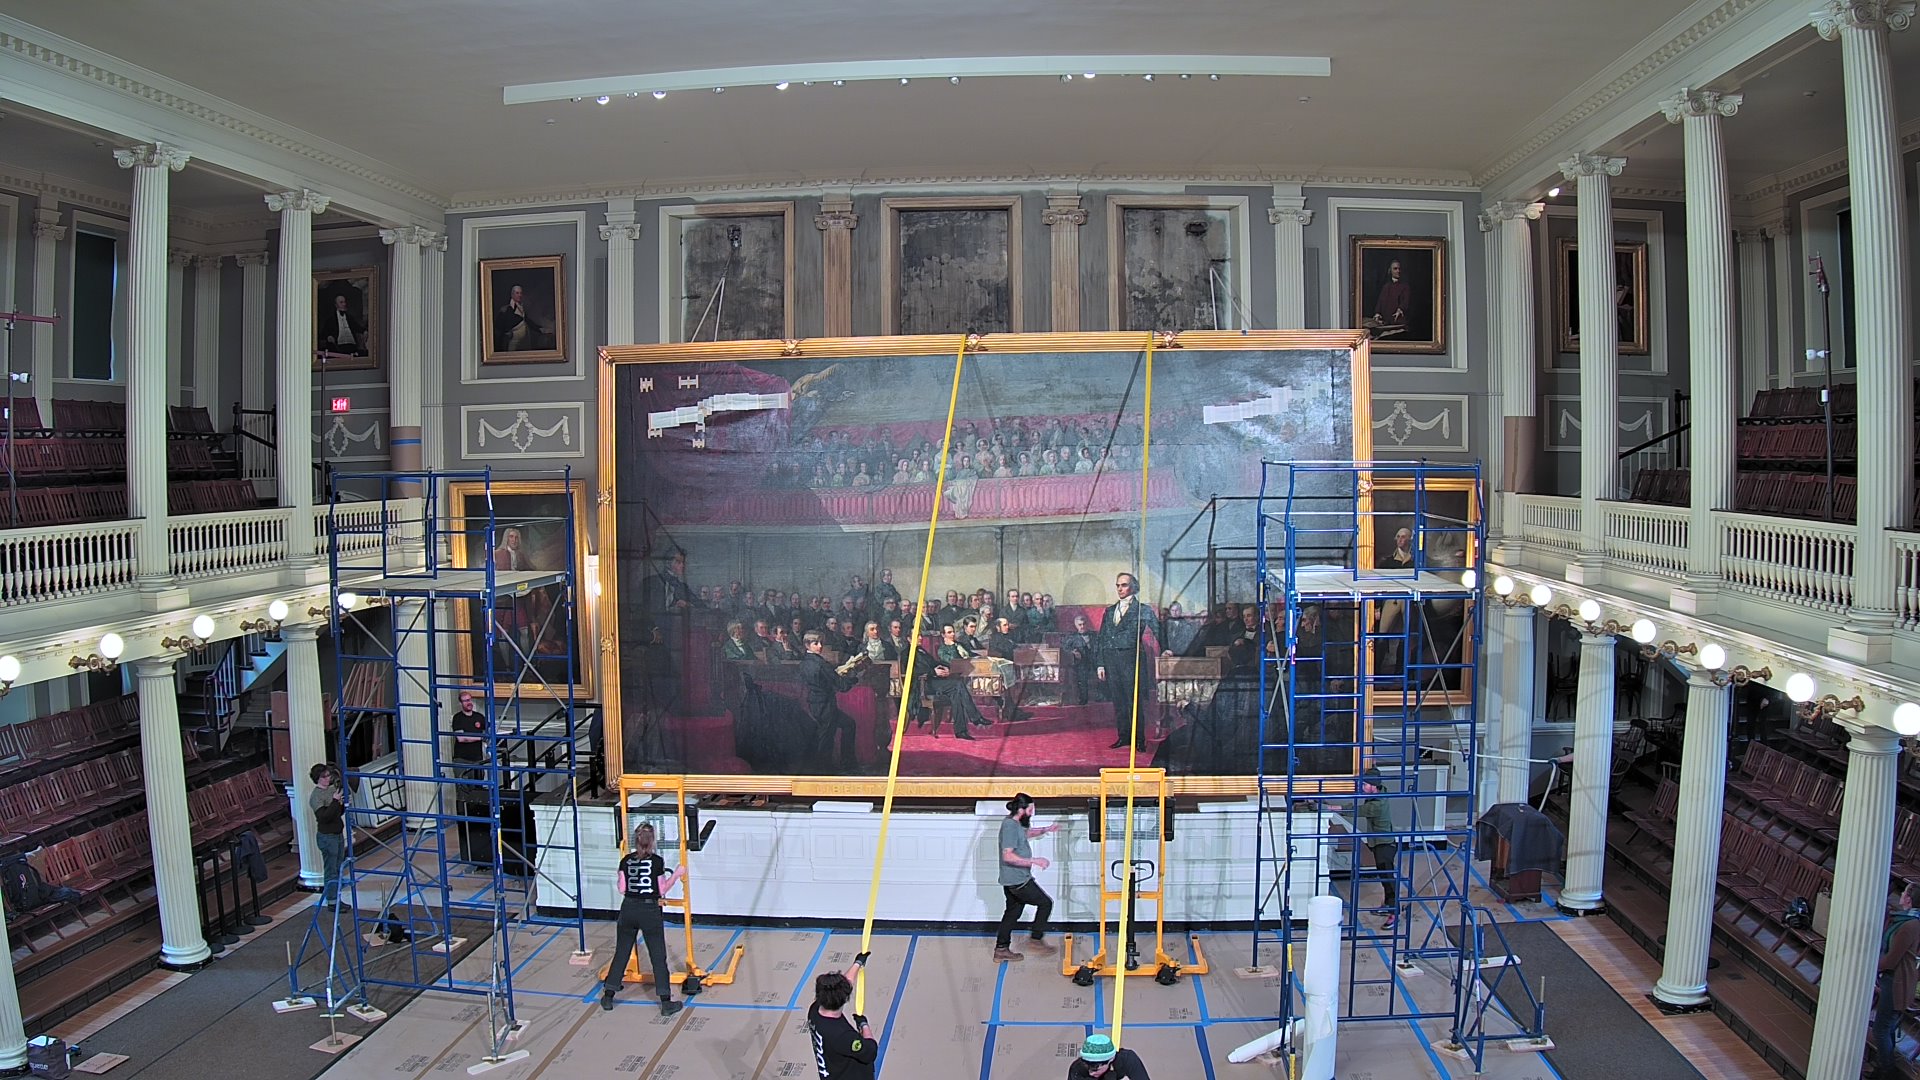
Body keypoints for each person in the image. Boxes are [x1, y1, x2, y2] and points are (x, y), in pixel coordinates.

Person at [600, 823, 686, 1017]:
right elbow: (662, 889)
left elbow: (622, 888)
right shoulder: (656, 861)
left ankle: (608, 995)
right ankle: (666, 1002)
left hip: (628, 909)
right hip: (649, 911)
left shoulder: (625, 860)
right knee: (657, 956)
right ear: (652, 841)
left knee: (621, 952)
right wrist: (677, 874)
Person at [1094, 572, 1162, 750]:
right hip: (1111, 661)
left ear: (1133, 587)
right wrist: (1100, 664)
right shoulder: (1110, 611)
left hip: (1131, 660)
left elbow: (1158, 629)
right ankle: (1124, 737)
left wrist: (1166, 649)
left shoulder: (1142, 610)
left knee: (1134, 701)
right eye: (1117, 585)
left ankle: (1138, 740)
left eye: (1123, 585)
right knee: (1118, 701)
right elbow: (1102, 639)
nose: (1119, 589)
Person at [994, 793, 1060, 962]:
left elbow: (1026, 833)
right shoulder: (1009, 826)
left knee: (1012, 913)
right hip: (1018, 880)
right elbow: (1007, 856)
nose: (1032, 813)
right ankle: (1035, 941)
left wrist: (1046, 829)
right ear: (1021, 810)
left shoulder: (1014, 824)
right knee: (1045, 903)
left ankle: (1001, 949)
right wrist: (1034, 861)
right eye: (1030, 810)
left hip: (1012, 879)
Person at [1872, 884, 1920, 1075]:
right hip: (1893, 980)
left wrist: (1869, 966)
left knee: (1881, 1029)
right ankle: (1885, 1066)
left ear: (1909, 899)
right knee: (1887, 1027)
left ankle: (1885, 1070)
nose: (1901, 894)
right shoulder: (1907, 921)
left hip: (1897, 982)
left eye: (1904, 892)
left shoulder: (1910, 925)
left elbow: (1892, 960)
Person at [807, 951, 877, 1079]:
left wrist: (858, 963)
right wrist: (864, 1025)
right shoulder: (843, 1036)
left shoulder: (814, 1011)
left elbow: (841, 987)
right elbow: (870, 1051)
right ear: (845, 999)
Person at [802, 631, 863, 772]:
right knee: (826, 737)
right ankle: (827, 769)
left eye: (821, 643)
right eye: (816, 643)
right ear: (807, 645)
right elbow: (842, 686)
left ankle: (846, 763)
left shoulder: (805, 662)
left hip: (814, 703)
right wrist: (856, 677)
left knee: (848, 724)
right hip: (826, 706)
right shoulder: (821, 664)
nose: (820, 646)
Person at [1357, 767, 1400, 928]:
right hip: (1379, 844)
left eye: (1365, 784)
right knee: (1385, 878)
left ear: (1373, 786)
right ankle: (1388, 905)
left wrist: (1333, 808)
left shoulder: (1377, 804)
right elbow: (1375, 772)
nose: (1362, 787)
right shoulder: (1379, 792)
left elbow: (1358, 810)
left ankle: (1394, 912)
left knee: (1388, 879)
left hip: (1384, 846)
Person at [309, 763, 346, 907]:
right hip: (327, 837)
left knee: (338, 868)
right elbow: (324, 817)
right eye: (323, 777)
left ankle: (337, 898)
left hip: (337, 834)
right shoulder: (316, 796)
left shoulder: (332, 790)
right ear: (317, 779)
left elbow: (337, 813)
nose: (327, 779)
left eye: (328, 776)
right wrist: (335, 801)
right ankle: (332, 901)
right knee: (331, 871)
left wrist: (340, 803)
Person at [495, 282, 554, 353]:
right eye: (517, 293)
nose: (519, 295)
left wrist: (541, 330)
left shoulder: (521, 308)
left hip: (524, 341)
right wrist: (508, 333)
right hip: (513, 341)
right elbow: (499, 326)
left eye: (521, 293)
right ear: (512, 294)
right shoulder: (505, 309)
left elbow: (527, 321)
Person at [1067, 1034, 1152, 1079]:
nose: (1091, 1073)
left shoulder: (1127, 1059)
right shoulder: (1077, 1070)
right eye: (1087, 1067)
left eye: (1095, 1069)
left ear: (1111, 1059)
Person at [450, 690, 487, 782]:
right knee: (462, 787)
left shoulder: (479, 717)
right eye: (466, 701)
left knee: (478, 787)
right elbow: (461, 738)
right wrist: (480, 737)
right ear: (460, 703)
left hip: (477, 760)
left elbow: (488, 733)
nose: (469, 702)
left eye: (470, 700)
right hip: (461, 760)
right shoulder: (457, 718)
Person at [318, 292, 369, 358]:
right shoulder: (331, 320)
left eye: (344, 302)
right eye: (341, 302)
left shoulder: (350, 318)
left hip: (352, 346)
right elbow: (323, 335)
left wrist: (364, 331)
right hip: (338, 347)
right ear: (336, 305)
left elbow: (358, 327)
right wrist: (328, 337)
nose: (344, 304)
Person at [1370, 259, 1411, 334]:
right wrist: (1377, 313)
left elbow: (1405, 301)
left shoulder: (1405, 286)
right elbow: (1380, 301)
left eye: (1399, 269)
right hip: (1386, 323)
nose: (1398, 271)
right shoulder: (1386, 286)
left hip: (1399, 324)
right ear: (1390, 271)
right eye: (1395, 269)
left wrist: (1400, 309)